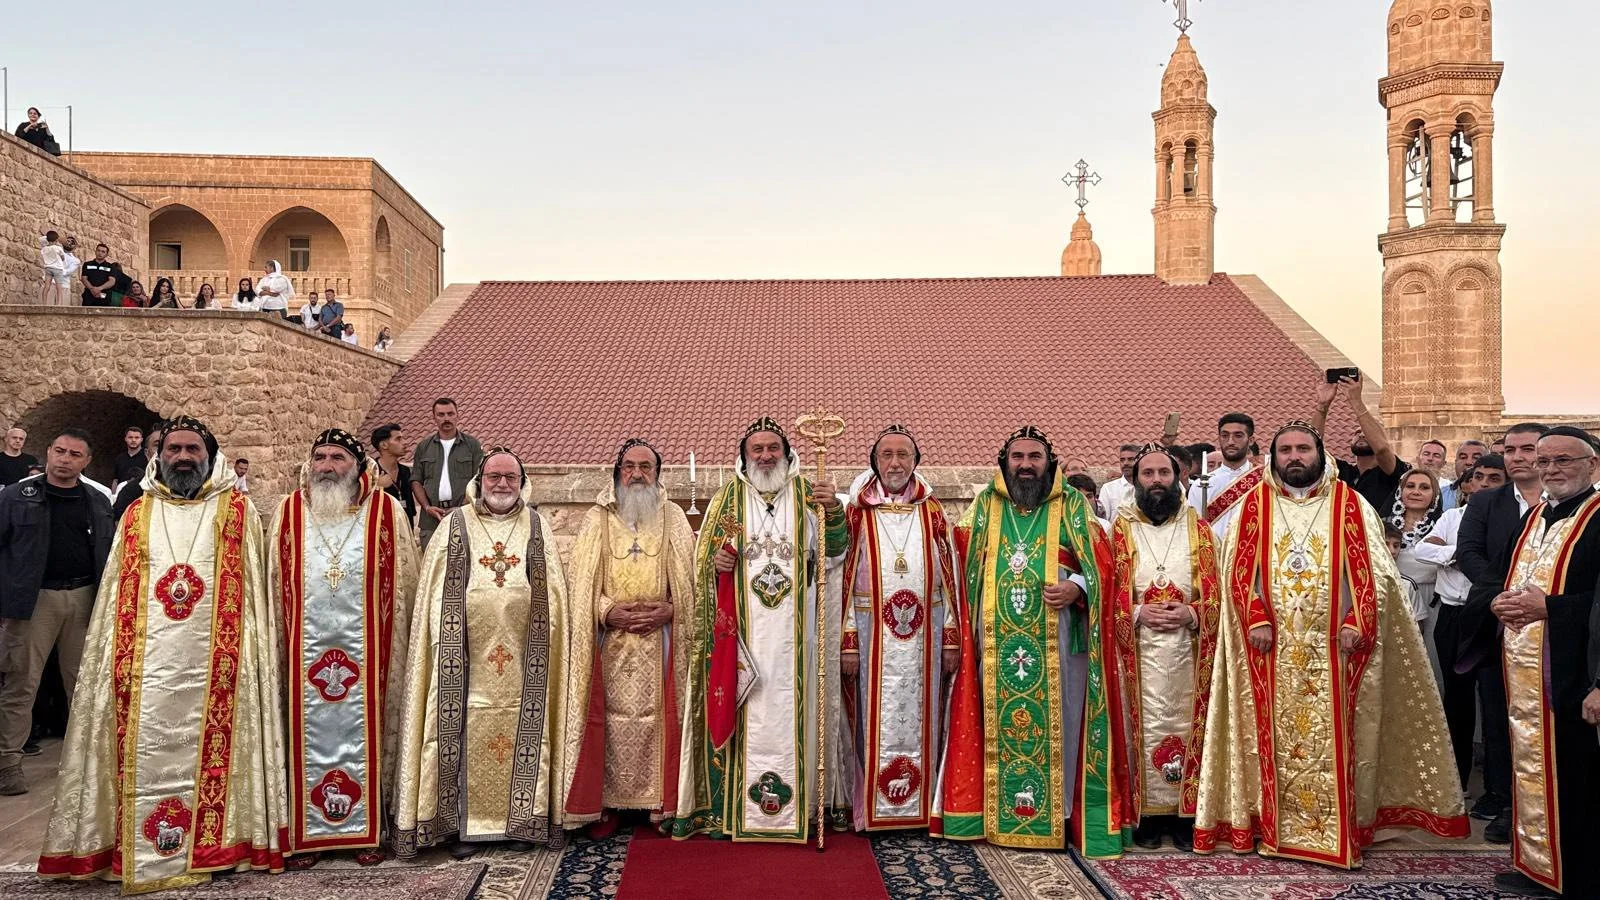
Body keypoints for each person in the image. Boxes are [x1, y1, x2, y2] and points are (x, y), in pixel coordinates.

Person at [1193, 421, 1466, 867]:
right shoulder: (1253, 505)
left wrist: (1358, 619)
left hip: (1338, 648)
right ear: (1274, 457)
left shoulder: (1349, 503)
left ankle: (1343, 826)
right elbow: (1237, 572)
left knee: (1341, 737)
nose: (1294, 457)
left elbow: (1375, 572)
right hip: (1269, 648)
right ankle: (1273, 824)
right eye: (1286, 450)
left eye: (1303, 448)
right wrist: (1255, 617)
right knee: (1268, 736)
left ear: (1320, 454)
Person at [37, 416, 288, 892]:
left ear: (210, 456)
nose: (183, 458)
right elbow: (116, 594)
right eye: (174, 449)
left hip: (219, 666)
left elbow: (254, 595)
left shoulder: (236, 511)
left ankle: (220, 843)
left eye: (193, 449)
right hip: (145, 667)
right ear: (159, 455)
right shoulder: (137, 512)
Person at [937, 426, 1119, 855]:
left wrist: (1077, 586)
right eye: (1017, 457)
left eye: (1034, 457)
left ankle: (1062, 815)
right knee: (994, 725)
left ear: (1049, 463)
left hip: (1059, 639)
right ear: (1004, 463)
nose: (1025, 465)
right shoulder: (985, 505)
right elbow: (956, 556)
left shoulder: (1072, 504)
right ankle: (995, 812)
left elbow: (1104, 563)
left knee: (1063, 724)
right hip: (996, 642)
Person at [673, 417, 849, 843]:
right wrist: (717, 564)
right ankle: (734, 808)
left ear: (787, 454)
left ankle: (805, 806)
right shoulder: (727, 502)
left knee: (797, 711)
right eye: (758, 449)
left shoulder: (809, 495)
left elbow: (834, 555)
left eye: (774, 448)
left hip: (798, 643)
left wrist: (834, 514)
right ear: (744, 455)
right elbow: (705, 565)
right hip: (744, 645)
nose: (766, 456)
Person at [394, 448, 574, 859]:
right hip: (462, 659)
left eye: (511, 477)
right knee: (455, 731)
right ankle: (461, 825)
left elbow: (554, 597)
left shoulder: (536, 526)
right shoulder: (454, 525)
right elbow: (434, 595)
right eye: (494, 476)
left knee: (526, 733)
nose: (502, 484)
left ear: (523, 482)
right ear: (479, 480)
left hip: (525, 658)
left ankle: (521, 821)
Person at [270, 430, 418, 869]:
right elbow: (274, 586)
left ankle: (370, 829)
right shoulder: (288, 513)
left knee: (372, 731)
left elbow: (406, 585)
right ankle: (307, 835)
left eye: (338, 457)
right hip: (303, 655)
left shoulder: (386, 512)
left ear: (357, 465)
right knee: (303, 732)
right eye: (320, 457)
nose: (327, 466)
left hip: (371, 655)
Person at [565, 439, 694, 837]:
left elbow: (690, 580)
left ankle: (661, 802)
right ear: (617, 472)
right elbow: (580, 582)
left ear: (658, 474)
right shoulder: (597, 519)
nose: (637, 474)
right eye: (629, 466)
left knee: (662, 719)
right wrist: (607, 611)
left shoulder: (673, 517)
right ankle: (609, 804)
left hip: (662, 640)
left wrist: (672, 609)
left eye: (646, 467)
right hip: (611, 642)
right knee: (610, 721)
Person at [1491, 426, 1600, 897]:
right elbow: (1506, 576)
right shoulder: (1535, 516)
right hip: (1526, 672)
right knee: (1531, 768)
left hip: (1577, 674)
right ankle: (1537, 865)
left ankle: (1577, 877)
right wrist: (1498, 602)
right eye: (1545, 461)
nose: (1551, 469)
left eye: (1564, 460)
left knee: (1578, 777)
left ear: (1592, 464)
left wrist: (1550, 608)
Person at [837, 426, 959, 833]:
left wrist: (952, 637)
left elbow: (950, 580)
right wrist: (848, 642)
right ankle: (869, 809)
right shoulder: (857, 512)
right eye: (886, 455)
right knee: (871, 719)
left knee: (926, 717)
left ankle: (922, 808)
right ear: (874, 462)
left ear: (915, 461)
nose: (894, 463)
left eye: (903, 455)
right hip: (871, 633)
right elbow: (843, 581)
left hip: (928, 636)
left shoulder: (933, 512)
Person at [1102, 444, 1223, 854]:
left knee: (1190, 726)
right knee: (1140, 728)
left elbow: (1221, 594)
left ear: (1178, 478)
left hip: (1191, 652)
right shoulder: (1117, 532)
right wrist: (1136, 612)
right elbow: (1103, 594)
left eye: (1164, 473)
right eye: (1148, 474)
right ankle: (1148, 815)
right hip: (1135, 653)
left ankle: (1187, 815)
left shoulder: (1201, 531)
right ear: (1135, 481)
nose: (1156, 481)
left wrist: (1192, 613)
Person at [0, 429, 115, 796]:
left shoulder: (97, 501)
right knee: (21, 682)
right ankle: (7, 762)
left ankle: (86, 763)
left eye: (74, 454)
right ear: (48, 452)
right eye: (60, 451)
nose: (65, 459)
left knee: (83, 684)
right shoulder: (16, 497)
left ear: (87, 461)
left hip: (83, 597)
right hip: (33, 601)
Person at [1456, 423, 1547, 844]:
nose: (1517, 457)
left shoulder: (1574, 505)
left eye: (1527, 449)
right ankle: (1503, 800)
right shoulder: (1486, 502)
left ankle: (1549, 810)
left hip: (1556, 627)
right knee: (1499, 716)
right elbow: (1470, 553)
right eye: (1510, 449)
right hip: (1501, 623)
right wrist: (1501, 597)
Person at [1414, 454, 1507, 816]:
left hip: (1491, 614)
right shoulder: (1453, 517)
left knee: (1495, 703)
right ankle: (1457, 780)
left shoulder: (1512, 519)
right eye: (1478, 477)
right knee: (1456, 699)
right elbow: (1424, 548)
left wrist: (1458, 556)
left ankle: (1498, 789)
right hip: (1453, 615)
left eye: (1493, 478)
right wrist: (1461, 553)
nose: (1483, 484)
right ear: (1467, 484)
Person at [1314, 376, 1409, 512]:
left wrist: (1356, 400)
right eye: (1357, 432)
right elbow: (1312, 449)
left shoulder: (1393, 472)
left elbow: (1382, 449)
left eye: (1367, 433)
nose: (1362, 434)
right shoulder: (1341, 471)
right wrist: (1322, 406)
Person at [409, 398, 484, 549]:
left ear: (457, 415)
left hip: (464, 516)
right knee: (431, 562)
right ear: (434, 417)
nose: (446, 418)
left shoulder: (472, 446)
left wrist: (463, 507)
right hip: (431, 521)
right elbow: (416, 480)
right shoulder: (424, 447)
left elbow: (479, 479)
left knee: (464, 560)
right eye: (441, 415)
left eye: (450, 414)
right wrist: (427, 507)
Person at [1190, 413, 1258, 537]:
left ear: (1251, 440)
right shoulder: (1200, 485)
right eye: (1225, 436)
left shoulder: (1263, 479)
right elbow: (1194, 528)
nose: (1230, 441)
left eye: (1238, 435)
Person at [370, 423, 416, 526]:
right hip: (382, 529)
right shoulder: (370, 472)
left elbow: (410, 508)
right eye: (398, 439)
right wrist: (377, 486)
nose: (405, 443)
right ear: (384, 445)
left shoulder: (405, 471)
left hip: (405, 527)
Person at [1440, 440, 1488, 510]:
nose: (1468, 462)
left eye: (1476, 457)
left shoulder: (1497, 495)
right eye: (1463, 457)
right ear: (1455, 462)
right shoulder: (1440, 494)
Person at [1097, 443, 1141, 518]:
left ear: (1140, 461)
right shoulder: (1108, 489)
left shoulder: (1147, 487)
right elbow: (1103, 520)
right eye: (1122, 460)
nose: (1125, 463)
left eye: (1131, 459)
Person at [110, 424, 148, 495]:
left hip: (141, 496)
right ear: (125, 439)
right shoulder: (120, 458)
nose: (133, 440)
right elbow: (115, 480)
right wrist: (114, 496)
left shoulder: (147, 456)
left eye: (137, 437)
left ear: (141, 439)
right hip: (122, 495)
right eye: (130, 437)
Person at [39, 231, 65, 306]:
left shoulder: (44, 249)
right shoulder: (58, 248)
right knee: (59, 287)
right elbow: (63, 258)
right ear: (56, 240)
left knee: (47, 286)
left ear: (47, 239)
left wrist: (48, 237)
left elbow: (41, 239)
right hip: (58, 269)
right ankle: (58, 304)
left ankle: (44, 303)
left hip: (48, 268)